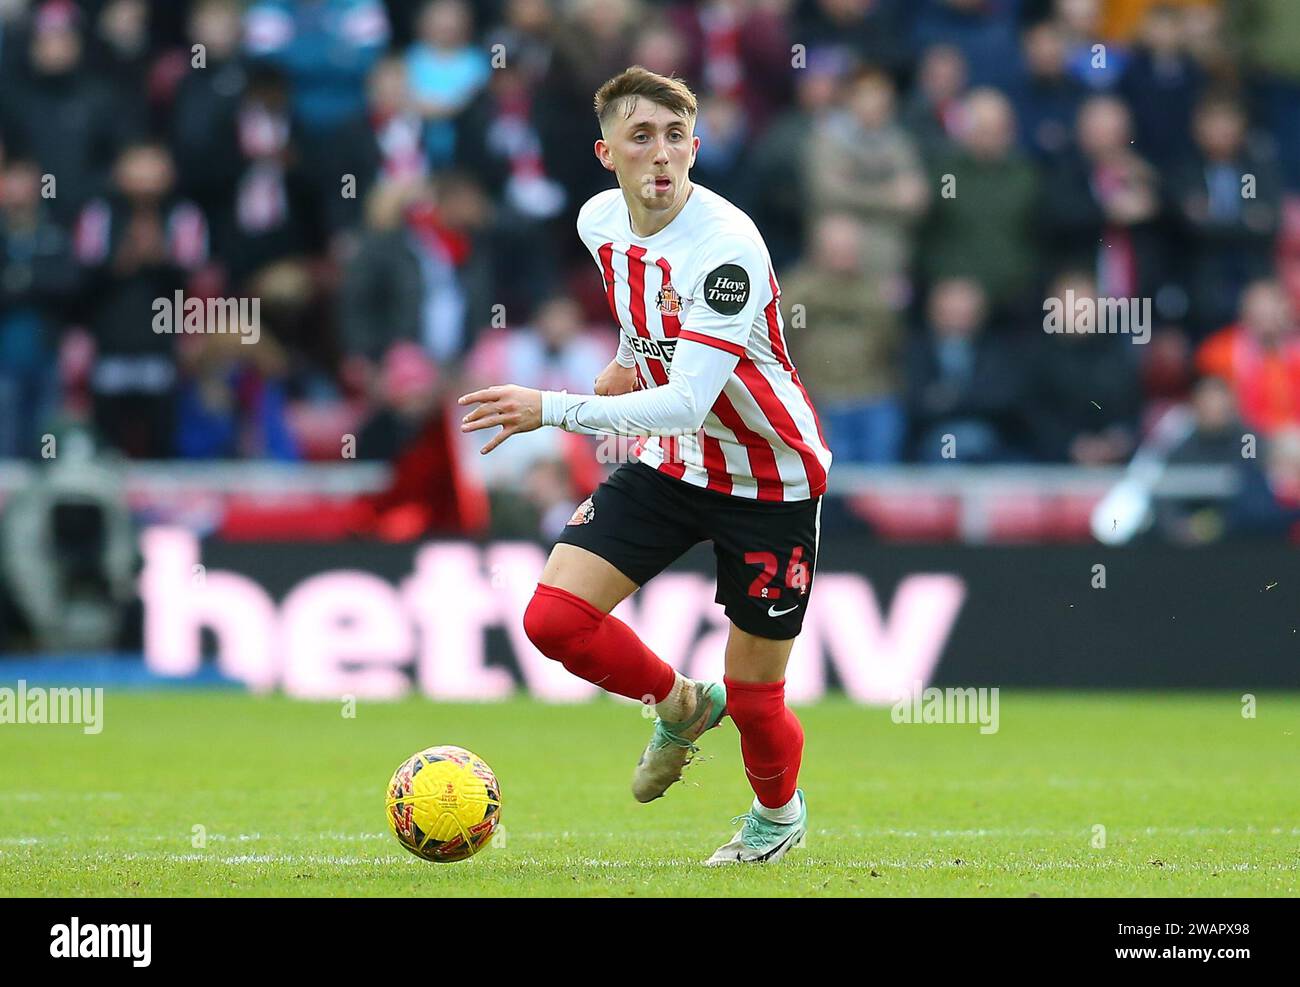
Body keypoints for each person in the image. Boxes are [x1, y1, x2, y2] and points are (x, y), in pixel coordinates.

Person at [457, 66, 831, 865]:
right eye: (641, 137)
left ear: (695, 148)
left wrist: (549, 406)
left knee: (761, 703)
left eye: (675, 138)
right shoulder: (601, 223)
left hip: (770, 478)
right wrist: (629, 356)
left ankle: (777, 817)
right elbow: (644, 316)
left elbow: (691, 399)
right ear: (606, 153)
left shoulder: (727, 246)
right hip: (676, 465)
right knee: (553, 619)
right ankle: (682, 703)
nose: (661, 156)